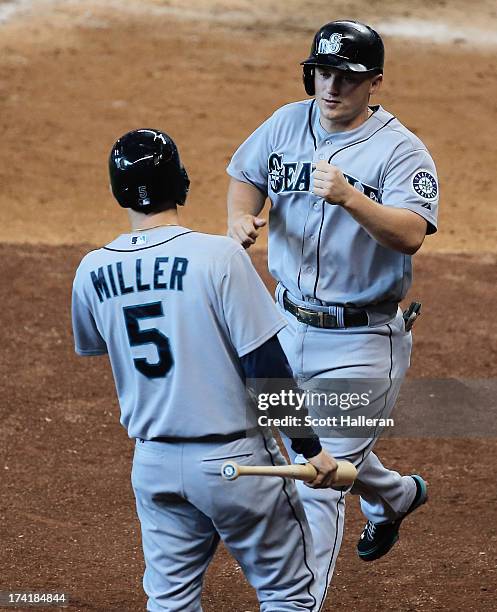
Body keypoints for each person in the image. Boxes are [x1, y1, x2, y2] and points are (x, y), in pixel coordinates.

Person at [71, 128, 339, 611]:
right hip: (236, 464)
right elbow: (267, 368)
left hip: (153, 466)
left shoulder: (91, 270)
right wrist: (311, 450)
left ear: (117, 192)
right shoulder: (219, 256)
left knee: (169, 601)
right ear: (183, 184)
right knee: (286, 595)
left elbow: (105, 346)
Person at [227, 19, 438, 609]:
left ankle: (298, 604)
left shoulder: (402, 150)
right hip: (282, 324)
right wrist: (239, 220)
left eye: (346, 77)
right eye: (322, 73)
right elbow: (244, 176)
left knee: (317, 480)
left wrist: (351, 197)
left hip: (362, 342)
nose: (331, 87)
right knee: (307, 448)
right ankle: (396, 496)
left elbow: (412, 234)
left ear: (373, 82)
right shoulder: (285, 122)